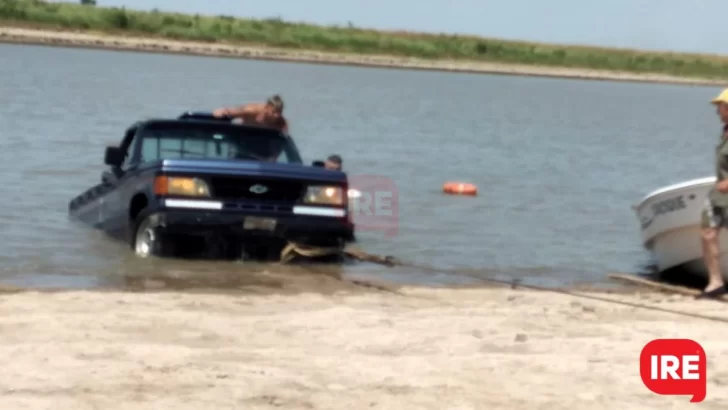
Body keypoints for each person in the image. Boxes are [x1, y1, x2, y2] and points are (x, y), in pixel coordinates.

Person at [698, 88, 728, 299]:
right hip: (719, 195)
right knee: (708, 232)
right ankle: (715, 283)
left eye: (721, 107)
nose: (718, 111)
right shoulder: (725, 131)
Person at [212, 94, 288, 133]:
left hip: (263, 146)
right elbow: (230, 112)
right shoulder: (251, 111)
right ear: (266, 107)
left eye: (280, 112)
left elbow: (284, 137)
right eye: (274, 112)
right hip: (243, 140)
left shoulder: (281, 122)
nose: (277, 116)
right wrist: (222, 112)